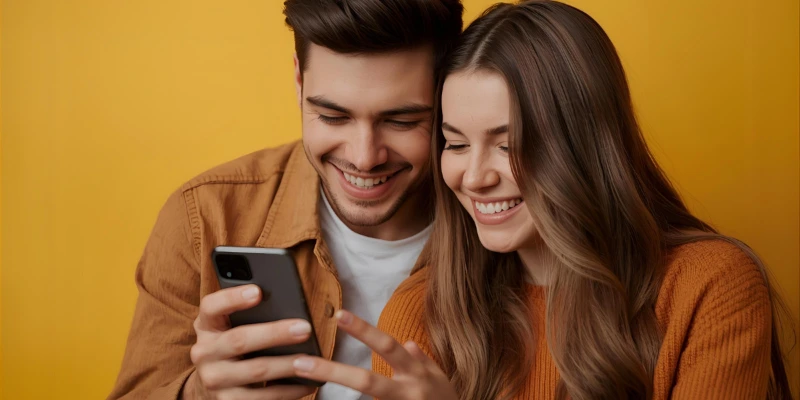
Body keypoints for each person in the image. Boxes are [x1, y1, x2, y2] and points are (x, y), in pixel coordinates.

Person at [286, 1, 794, 399]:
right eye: (456, 144)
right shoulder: (419, 315)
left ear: (585, 146)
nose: (475, 176)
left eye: (510, 146)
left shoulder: (708, 287)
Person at [107, 1, 463, 399]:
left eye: (401, 120)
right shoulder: (204, 216)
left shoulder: (504, 228)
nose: (364, 157)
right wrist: (201, 393)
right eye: (332, 116)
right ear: (299, 80)